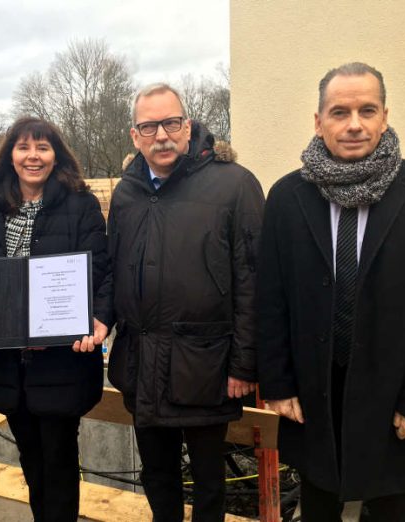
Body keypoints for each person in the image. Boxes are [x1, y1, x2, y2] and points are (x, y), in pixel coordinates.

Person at [256, 63, 405, 521]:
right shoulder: (287, 198)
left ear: (385, 116)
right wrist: (277, 383)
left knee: (397, 509)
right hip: (316, 392)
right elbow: (270, 301)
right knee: (317, 504)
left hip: (396, 395)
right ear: (318, 121)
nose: (354, 123)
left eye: (366, 110)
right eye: (339, 112)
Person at [104, 83, 264, 521]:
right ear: (135, 135)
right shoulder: (127, 193)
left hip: (206, 366)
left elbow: (253, 281)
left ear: (187, 125)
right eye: (149, 126)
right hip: (141, 363)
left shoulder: (235, 186)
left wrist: (243, 364)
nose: (162, 135)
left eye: (171, 123)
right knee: (158, 477)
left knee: (210, 483)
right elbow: (112, 269)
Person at [0, 117, 109, 522]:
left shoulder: (80, 203)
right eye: (23, 147)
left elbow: (101, 272)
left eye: (43, 147)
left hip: (61, 363)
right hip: (6, 366)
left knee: (60, 461)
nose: (33, 156)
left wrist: (99, 318)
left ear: (57, 156)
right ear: (10, 155)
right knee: (32, 461)